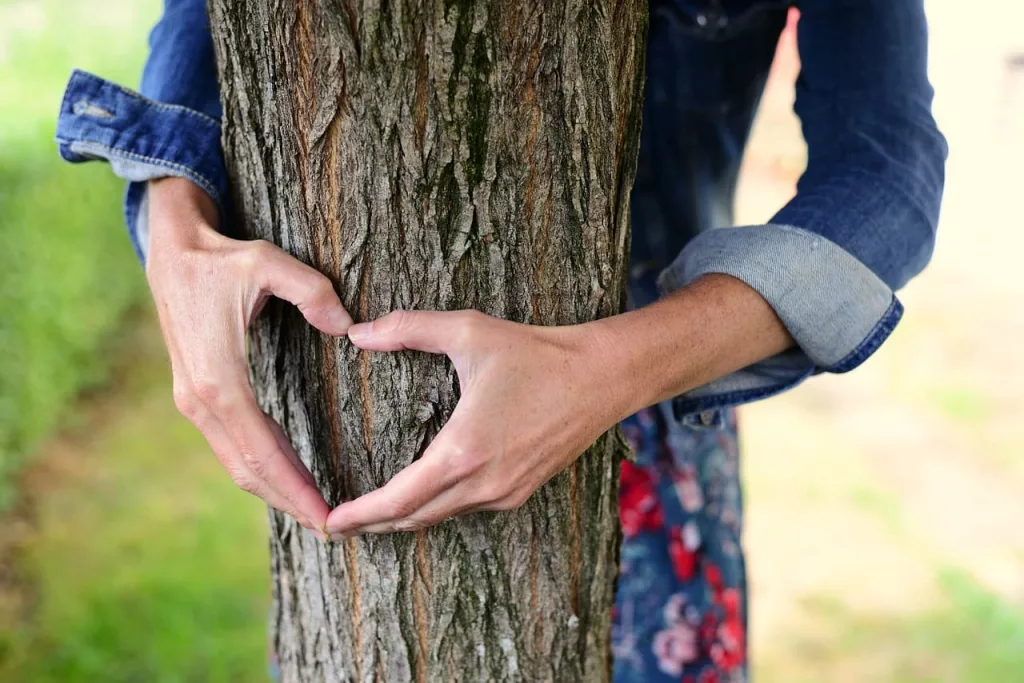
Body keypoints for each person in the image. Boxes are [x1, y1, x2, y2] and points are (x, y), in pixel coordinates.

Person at [55, 0, 946, 680]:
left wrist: (606, 368)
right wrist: (176, 231)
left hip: (652, 410)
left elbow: (888, 174)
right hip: (346, 433)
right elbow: (210, 30)